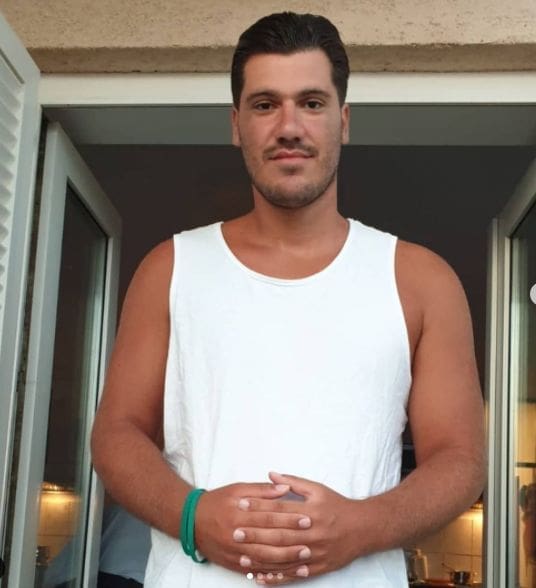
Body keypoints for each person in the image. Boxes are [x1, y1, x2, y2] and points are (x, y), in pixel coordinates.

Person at [91, 11, 486, 587]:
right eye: (265, 104)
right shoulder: (171, 268)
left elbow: (460, 460)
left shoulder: (421, 280)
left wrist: (360, 527)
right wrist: (193, 516)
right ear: (237, 124)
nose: (289, 126)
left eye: (312, 102)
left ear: (343, 121)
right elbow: (116, 434)